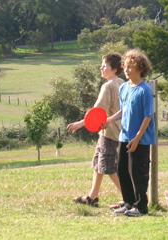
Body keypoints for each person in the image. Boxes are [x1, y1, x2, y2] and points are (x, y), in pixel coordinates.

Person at [67, 53, 124, 207]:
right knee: (98, 163)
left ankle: (128, 198)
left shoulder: (108, 86)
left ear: (114, 69)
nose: (101, 68)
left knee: (109, 167)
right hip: (114, 132)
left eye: (104, 66)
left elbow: (97, 112)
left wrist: (80, 123)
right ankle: (92, 196)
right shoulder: (122, 83)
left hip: (110, 133)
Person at [104, 49, 155, 216]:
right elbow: (123, 111)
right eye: (125, 66)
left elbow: (147, 117)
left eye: (130, 67)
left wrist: (136, 138)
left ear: (140, 68)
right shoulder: (124, 88)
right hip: (124, 137)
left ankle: (141, 208)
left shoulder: (144, 90)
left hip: (140, 140)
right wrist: (110, 120)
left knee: (138, 174)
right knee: (123, 170)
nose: (126, 70)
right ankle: (128, 203)